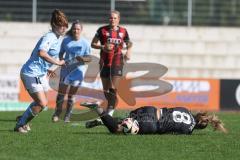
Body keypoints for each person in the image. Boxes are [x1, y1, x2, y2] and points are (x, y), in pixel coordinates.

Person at [14, 9, 69, 133]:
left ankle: (23, 119)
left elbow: (41, 54)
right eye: (61, 25)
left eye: (65, 25)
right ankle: (20, 125)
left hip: (40, 73)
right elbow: (41, 52)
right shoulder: (49, 36)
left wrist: (48, 68)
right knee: (42, 103)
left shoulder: (56, 38)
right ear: (54, 25)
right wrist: (58, 63)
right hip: (31, 72)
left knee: (41, 102)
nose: (64, 28)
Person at [86, 10, 133, 128]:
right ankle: (107, 115)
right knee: (106, 90)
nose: (112, 20)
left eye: (115, 18)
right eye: (111, 18)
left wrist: (128, 51)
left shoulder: (123, 31)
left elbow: (129, 43)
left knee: (113, 88)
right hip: (104, 63)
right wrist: (102, 46)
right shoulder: (102, 30)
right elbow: (92, 44)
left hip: (117, 62)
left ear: (118, 19)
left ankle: (109, 114)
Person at [81, 102, 228, 135]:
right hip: (152, 124)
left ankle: (102, 120)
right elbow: (170, 133)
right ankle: (99, 110)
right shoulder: (188, 130)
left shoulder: (185, 109)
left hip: (151, 110)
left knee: (127, 121)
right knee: (117, 130)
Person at [52, 20, 91, 123]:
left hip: (78, 72)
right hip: (66, 70)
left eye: (78, 29)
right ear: (72, 29)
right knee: (61, 93)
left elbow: (89, 59)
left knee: (71, 96)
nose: (76, 30)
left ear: (81, 30)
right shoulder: (66, 41)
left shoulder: (85, 43)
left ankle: (68, 115)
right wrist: (61, 61)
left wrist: (81, 59)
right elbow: (60, 54)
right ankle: (57, 112)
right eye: (74, 28)